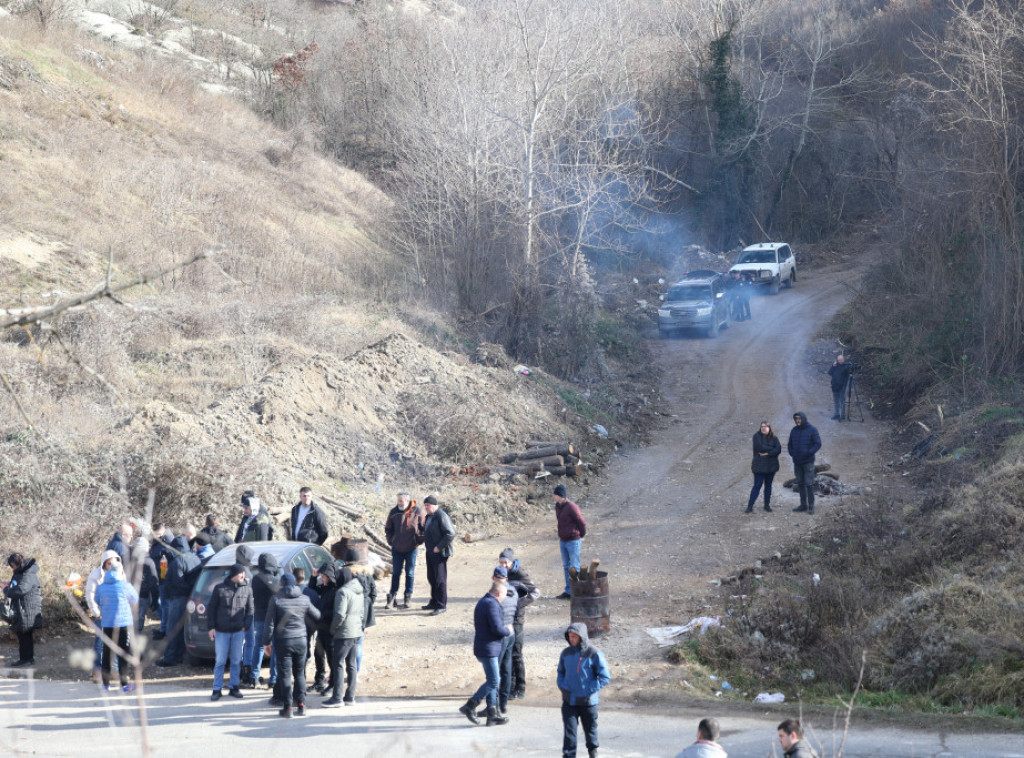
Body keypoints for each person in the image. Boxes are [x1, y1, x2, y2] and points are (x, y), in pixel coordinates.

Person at [262, 572, 320, 718]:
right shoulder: (304, 598)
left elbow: (269, 624)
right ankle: (301, 705)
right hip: (301, 639)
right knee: (299, 673)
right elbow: (317, 615)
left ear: (281, 584)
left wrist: (266, 642)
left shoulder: (276, 599)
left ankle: (288, 708)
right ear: (294, 584)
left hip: (283, 641)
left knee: (285, 675)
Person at [459, 581, 512, 726]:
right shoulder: (491, 604)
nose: (504, 598)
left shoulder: (485, 601)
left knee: (492, 680)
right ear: (499, 593)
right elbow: (497, 628)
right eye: (504, 595)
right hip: (488, 649)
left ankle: (492, 714)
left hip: (486, 648)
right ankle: (470, 705)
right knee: (494, 681)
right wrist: (508, 630)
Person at [557, 622, 611, 758]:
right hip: (569, 701)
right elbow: (560, 673)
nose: (571, 639)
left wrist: (589, 690)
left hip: (588, 702)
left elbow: (605, 677)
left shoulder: (594, 653)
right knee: (569, 734)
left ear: (582, 637)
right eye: (569, 636)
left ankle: (593, 752)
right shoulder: (566, 653)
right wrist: (564, 688)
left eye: (574, 636)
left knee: (590, 730)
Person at [207, 562, 253, 701]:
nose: (243, 575)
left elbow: (250, 610)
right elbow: (211, 608)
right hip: (221, 631)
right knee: (220, 661)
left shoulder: (247, 589)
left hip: (238, 631)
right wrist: (211, 627)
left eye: (244, 573)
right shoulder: (219, 588)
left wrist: (245, 626)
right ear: (234, 574)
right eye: (241, 573)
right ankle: (217, 689)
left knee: (236, 661)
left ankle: (234, 687)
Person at [498, 547, 538, 699]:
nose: (503, 565)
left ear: (511, 561)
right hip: (505, 619)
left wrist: (517, 604)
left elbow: (535, 592)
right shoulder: (502, 574)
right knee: (506, 654)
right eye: (501, 562)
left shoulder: (520, 574)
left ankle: (520, 688)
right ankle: (509, 686)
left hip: (517, 620)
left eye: (506, 562)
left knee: (516, 654)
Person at [155, 534, 199, 667]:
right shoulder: (195, 558)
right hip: (193, 597)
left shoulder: (177, 562)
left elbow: (177, 583)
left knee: (173, 628)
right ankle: (179, 654)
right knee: (183, 628)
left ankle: (171, 657)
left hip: (179, 598)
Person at [95, 559, 139, 692]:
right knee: (123, 653)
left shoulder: (101, 587)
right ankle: (124, 684)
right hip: (123, 623)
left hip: (107, 623)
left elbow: (97, 600)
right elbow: (135, 599)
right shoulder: (125, 586)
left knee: (107, 653)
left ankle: (105, 684)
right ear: (122, 571)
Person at [324, 566, 364, 707]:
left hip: (344, 633)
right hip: (356, 632)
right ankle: (350, 696)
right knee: (351, 664)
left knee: (338, 664)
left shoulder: (342, 592)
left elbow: (340, 614)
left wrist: (333, 629)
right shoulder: (359, 590)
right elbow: (362, 612)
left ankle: (337, 698)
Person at [383, 492, 425, 609]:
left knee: (410, 573)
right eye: (398, 501)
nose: (399, 503)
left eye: (401, 501)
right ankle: (392, 597)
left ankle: (408, 597)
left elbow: (423, 528)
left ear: (407, 501)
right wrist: (391, 541)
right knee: (396, 572)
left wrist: (418, 540)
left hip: (411, 548)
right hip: (397, 548)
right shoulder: (393, 512)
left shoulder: (417, 511)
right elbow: (388, 528)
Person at [86, 550, 122, 679]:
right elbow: (90, 595)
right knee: (100, 644)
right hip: (102, 614)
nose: (111, 566)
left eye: (114, 563)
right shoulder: (95, 575)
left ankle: (115, 670)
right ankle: (97, 671)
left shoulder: (121, 573)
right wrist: (96, 612)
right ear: (104, 563)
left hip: (116, 614)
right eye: (109, 563)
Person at [251, 552, 282, 695]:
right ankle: (273, 679)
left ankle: (254, 677)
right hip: (274, 619)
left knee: (258, 647)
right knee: (275, 648)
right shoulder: (276, 581)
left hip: (259, 617)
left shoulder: (255, 579)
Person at [3, 553, 42, 667]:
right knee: (23, 634)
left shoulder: (28, 574)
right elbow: (19, 586)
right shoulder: (23, 572)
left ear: (18, 563)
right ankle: (26, 658)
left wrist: (6, 590)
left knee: (24, 635)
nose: (12, 568)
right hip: (23, 609)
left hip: (28, 609)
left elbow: (21, 590)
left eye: (12, 565)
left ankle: (26, 659)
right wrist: (9, 585)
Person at [344, 547, 376, 673]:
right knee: (359, 643)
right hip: (364, 609)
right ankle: (356, 671)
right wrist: (367, 605)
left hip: (349, 610)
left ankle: (349, 670)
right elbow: (374, 593)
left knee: (348, 643)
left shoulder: (345, 573)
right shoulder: (367, 573)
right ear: (358, 559)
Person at [421, 495, 455, 615]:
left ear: (435, 505)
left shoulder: (441, 516)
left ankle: (441, 605)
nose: (426, 507)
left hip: (439, 552)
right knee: (431, 577)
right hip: (430, 551)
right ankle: (434, 601)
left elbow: (450, 533)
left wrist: (439, 547)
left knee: (440, 579)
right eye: (425, 505)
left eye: (428, 505)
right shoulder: (429, 516)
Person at [553, 484, 586, 599]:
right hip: (563, 540)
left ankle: (577, 592)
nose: (553, 496)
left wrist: (581, 535)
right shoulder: (558, 506)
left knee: (574, 566)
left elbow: (581, 522)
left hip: (573, 541)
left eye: (555, 494)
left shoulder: (572, 507)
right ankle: (569, 591)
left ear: (560, 495)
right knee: (566, 566)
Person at [311, 562, 340, 695]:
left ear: (330, 576)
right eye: (321, 576)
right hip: (321, 629)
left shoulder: (336, 591)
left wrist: (321, 614)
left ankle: (333, 684)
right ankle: (319, 681)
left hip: (331, 630)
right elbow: (312, 589)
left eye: (323, 576)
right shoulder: (324, 587)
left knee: (331, 658)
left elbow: (337, 612)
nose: (321, 578)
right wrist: (313, 577)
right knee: (318, 655)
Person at [787, 411, 822, 515]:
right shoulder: (794, 430)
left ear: (803, 419)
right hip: (797, 462)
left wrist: (809, 452)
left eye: (799, 419)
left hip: (808, 462)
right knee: (800, 483)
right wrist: (792, 453)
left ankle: (811, 506)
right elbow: (789, 444)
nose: (798, 421)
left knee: (809, 484)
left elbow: (818, 443)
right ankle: (803, 505)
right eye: (796, 419)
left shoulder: (812, 429)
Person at [746, 420, 782, 513]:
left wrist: (768, 453)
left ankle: (767, 505)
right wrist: (772, 450)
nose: (763, 428)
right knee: (757, 486)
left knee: (768, 486)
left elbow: (778, 449)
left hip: (771, 466)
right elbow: (760, 448)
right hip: (759, 466)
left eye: (765, 426)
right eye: (762, 426)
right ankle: (750, 506)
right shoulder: (756, 436)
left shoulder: (774, 438)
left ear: (769, 428)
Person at [149, 524, 175, 641]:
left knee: (165, 605)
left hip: (164, 579)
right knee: (158, 603)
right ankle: (164, 627)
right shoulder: (158, 541)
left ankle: (165, 630)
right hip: (157, 578)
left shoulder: (168, 543)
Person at [131, 537, 159, 633]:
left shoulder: (128, 559)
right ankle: (136, 636)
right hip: (143, 594)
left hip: (129, 593)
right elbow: (153, 582)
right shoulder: (149, 562)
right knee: (140, 617)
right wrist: (155, 598)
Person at [828, 354, 853, 421]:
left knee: (842, 400)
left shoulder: (846, 366)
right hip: (835, 386)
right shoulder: (835, 366)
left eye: (841, 359)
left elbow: (848, 374)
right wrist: (833, 366)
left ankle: (842, 415)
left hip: (842, 386)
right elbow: (829, 373)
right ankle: (836, 414)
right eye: (839, 360)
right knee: (836, 401)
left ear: (843, 359)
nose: (840, 361)